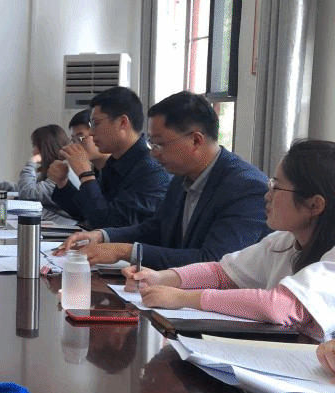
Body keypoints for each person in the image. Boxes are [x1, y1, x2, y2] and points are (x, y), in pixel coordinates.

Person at [129, 139, 335, 342]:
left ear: (315, 205)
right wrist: (161, 277)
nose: (267, 195)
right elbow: (222, 273)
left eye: (276, 187)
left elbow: (279, 305)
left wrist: (183, 298)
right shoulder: (283, 242)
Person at [56, 92, 269, 269]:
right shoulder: (182, 176)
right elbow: (157, 228)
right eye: (152, 143)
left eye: (159, 144)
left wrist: (124, 251)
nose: (154, 153)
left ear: (196, 140)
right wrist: (103, 236)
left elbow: (213, 262)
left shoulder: (245, 187)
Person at [48, 86, 170, 228]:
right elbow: (88, 213)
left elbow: (111, 226)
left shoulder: (152, 172)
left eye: (96, 123)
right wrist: (63, 183)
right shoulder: (114, 164)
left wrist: (85, 175)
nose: (91, 132)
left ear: (123, 123)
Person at [0, 124, 71, 208]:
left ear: (44, 148)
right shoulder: (50, 171)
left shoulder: (61, 174)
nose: (32, 151)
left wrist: (32, 162)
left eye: (34, 146)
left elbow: (27, 193)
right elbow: (23, 188)